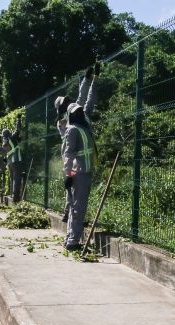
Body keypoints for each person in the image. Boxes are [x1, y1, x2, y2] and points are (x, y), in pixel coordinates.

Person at [55, 62, 99, 222]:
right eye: (65, 103)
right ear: (60, 108)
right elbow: (83, 99)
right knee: (72, 187)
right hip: (72, 159)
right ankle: (71, 216)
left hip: (82, 159)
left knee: (75, 191)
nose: (69, 102)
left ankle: (71, 216)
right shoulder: (64, 122)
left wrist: (89, 79)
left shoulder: (77, 113)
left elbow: (85, 97)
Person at [62, 100, 96, 252]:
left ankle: (70, 239)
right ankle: (73, 241)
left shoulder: (83, 126)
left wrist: (91, 81)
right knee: (78, 208)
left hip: (83, 172)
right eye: (75, 112)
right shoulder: (73, 130)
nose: (79, 113)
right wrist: (68, 174)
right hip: (79, 174)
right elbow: (68, 154)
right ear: (70, 115)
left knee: (75, 207)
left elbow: (88, 104)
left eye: (79, 111)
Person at [2, 115, 23, 202]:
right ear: (9, 133)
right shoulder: (11, 138)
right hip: (16, 159)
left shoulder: (4, 142)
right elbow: (17, 130)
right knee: (17, 178)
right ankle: (15, 198)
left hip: (10, 162)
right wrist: (18, 119)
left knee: (12, 178)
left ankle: (12, 194)